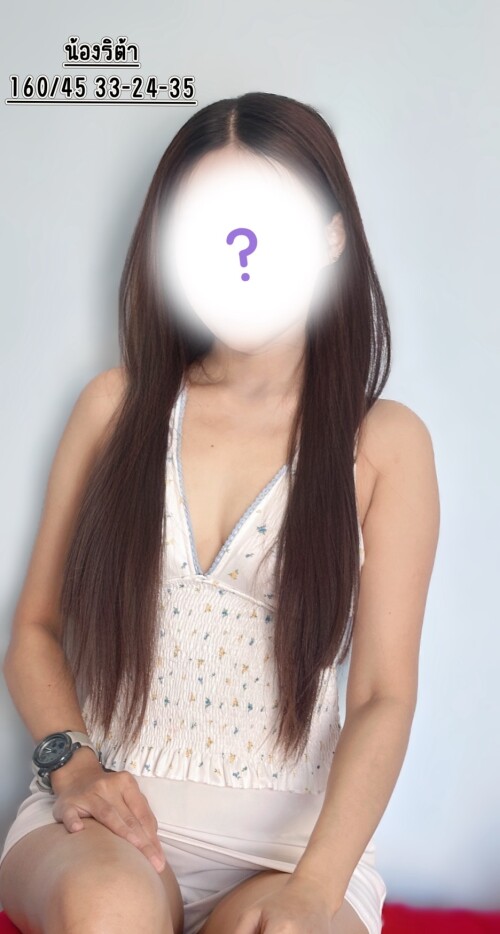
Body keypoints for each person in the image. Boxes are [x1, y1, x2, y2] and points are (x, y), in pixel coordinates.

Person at [0, 91, 440, 934]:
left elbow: (384, 695)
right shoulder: (114, 407)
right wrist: (74, 765)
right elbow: (34, 630)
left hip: (297, 853)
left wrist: (315, 890)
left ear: (329, 239)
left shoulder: (386, 444)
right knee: (107, 911)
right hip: (105, 827)